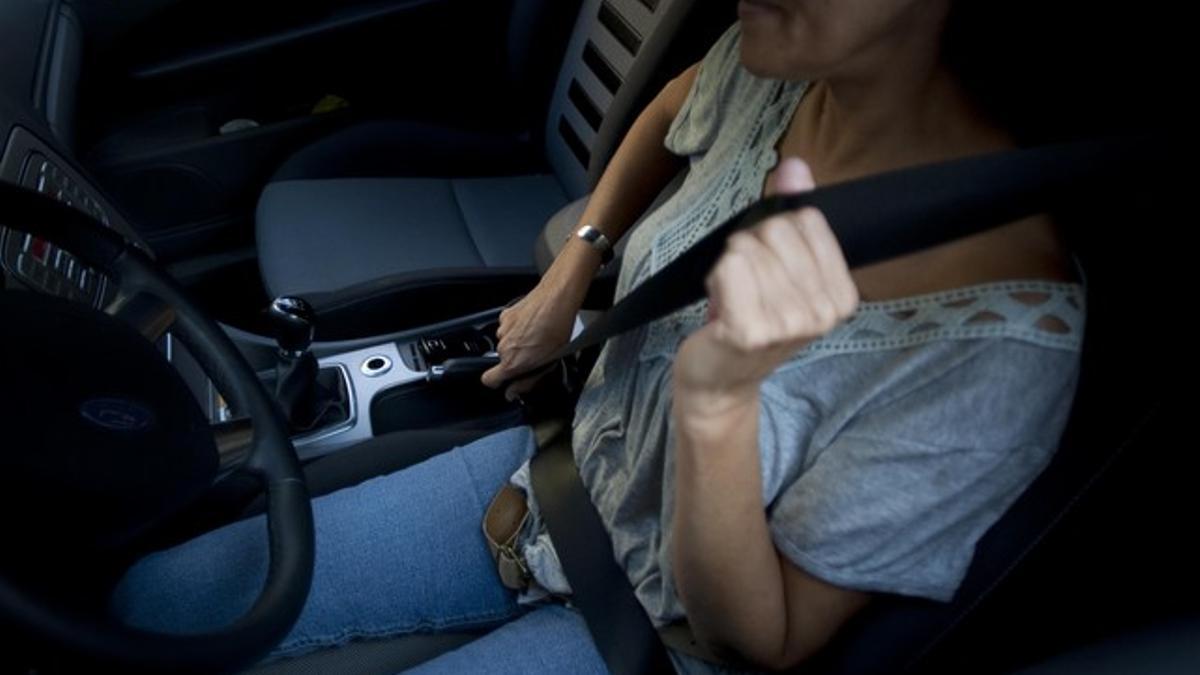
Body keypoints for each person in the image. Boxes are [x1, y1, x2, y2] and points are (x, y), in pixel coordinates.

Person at [112, 1, 1085, 671]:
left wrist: (718, 403)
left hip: (660, 638)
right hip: (557, 477)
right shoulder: (775, 71)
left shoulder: (1003, 337)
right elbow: (670, 108)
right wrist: (575, 263)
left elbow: (767, 639)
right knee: (148, 605)